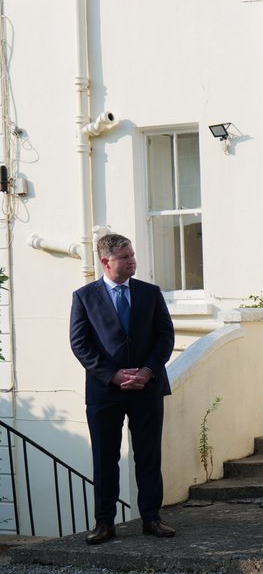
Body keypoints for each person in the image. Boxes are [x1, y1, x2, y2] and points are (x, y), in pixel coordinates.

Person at [69, 233, 176, 545]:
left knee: (148, 456)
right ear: (106, 261)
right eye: (125, 257)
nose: (132, 261)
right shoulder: (84, 297)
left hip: (147, 388)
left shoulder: (150, 293)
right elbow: (80, 344)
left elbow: (165, 336)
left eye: (132, 255)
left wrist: (147, 371)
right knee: (105, 458)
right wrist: (113, 375)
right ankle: (104, 523)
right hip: (105, 392)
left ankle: (152, 518)